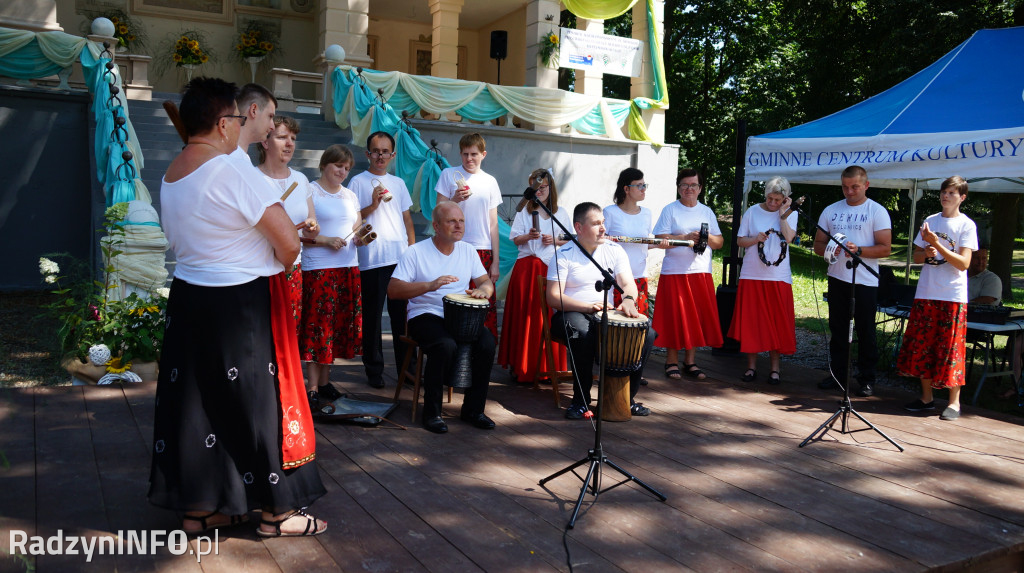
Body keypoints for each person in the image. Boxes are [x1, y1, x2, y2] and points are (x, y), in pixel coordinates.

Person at [149, 77, 326, 537]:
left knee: (198, 407)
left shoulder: (171, 171)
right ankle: (276, 512)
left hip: (189, 297)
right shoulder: (231, 170)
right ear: (224, 123)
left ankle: (204, 507)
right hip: (238, 301)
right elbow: (289, 247)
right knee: (255, 407)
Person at [389, 202, 497, 434]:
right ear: (436, 226)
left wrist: (483, 291)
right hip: (424, 314)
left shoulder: (468, 250)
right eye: (452, 221)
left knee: (487, 343)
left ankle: (473, 410)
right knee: (444, 345)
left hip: (459, 317)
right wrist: (429, 285)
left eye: (461, 221)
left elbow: (485, 282)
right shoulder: (416, 252)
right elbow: (394, 290)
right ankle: (432, 412)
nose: (459, 226)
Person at [548, 202, 653, 419]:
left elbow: (626, 282)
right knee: (584, 333)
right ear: (578, 227)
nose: (603, 228)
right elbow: (554, 297)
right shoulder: (564, 254)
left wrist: (629, 300)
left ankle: (626, 399)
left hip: (602, 313)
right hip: (570, 313)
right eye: (596, 224)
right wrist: (586, 306)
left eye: (603, 223)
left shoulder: (614, 250)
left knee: (646, 333)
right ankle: (581, 402)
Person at [897, 176, 977, 420]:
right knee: (924, 346)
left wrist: (938, 246)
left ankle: (954, 403)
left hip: (952, 295)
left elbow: (963, 263)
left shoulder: (967, 225)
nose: (946, 196)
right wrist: (927, 251)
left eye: (952, 193)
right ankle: (926, 398)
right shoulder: (930, 221)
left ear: (962, 198)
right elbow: (917, 257)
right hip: (927, 292)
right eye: (944, 191)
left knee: (951, 348)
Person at [813, 165, 892, 397]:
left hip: (865, 280)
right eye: (845, 187)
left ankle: (867, 378)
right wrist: (830, 251)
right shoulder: (830, 210)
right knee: (838, 329)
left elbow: (885, 248)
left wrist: (860, 250)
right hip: (837, 278)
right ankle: (838, 375)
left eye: (855, 187)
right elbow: (818, 245)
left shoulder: (876, 211)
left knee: (866, 330)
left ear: (866, 185)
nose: (849, 192)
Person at [348, 131, 416, 389]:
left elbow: (406, 218)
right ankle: (374, 369)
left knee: (402, 317)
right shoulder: (357, 182)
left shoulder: (398, 183)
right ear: (367, 154)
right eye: (375, 151)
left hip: (399, 258)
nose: (380, 156)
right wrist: (373, 206)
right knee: (373, 317)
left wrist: (411, 249)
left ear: (392, 155)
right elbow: (354, 219)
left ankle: (407, 369)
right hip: (372, 259)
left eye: (385, 151)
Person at [300, 144, 363, 411]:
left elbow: (357, 227)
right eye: (338, 165)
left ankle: (325, 382)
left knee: (336, 328)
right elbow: (300, 232)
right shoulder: (310, 191)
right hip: (319, 270)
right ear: (325, 164)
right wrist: (325, 240)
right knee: (318, 329)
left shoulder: (350, 195)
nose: (342, 171)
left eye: (347, 168)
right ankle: (312, 387)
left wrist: (362, 237)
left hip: (348, 268)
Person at [498, 168, 570, 383]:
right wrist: (528, 236)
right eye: (535, 187)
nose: (539, 191)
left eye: (544, 187)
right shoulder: (523, 212)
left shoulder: (561, 212)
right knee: (524, 316)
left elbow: (568, 239)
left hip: (550, 268)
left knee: (546, 317)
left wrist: (554, 240)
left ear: (551, 188)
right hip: (527, 269)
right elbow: (515, 239)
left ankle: (548, 366)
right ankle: (523, 366)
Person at [652, 169, 724, 380]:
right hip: (675, 271)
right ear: (678, 187)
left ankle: (690, 362)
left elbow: (719, 243)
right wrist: (685, 236)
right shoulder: (670, 210)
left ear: (700, 189)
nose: (689, 189)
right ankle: (671, 361)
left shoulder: (707, 212)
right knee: (675, 316)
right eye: (684, 185)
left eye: (693, 185)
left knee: (696, 317)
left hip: (700, 271)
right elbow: (659, 237)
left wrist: (705, 236)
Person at [727, 176, 799, 384]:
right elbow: (741, 240)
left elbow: (788, 238)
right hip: (752, 273)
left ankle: (775, 369)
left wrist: (783, 215)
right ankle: (751, 367)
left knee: (777, 322)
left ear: (785, 199)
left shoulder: (789, 213)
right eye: (770, 198)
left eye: (778, 200)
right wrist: (755, 239)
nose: (773, 203)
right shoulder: (752, 211)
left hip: (778, 276)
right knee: (753, 321)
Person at [434, 133, 501, 338]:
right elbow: (438, 211)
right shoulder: (449, 174)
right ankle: (451, 345)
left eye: (474, 154)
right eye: (465, 154)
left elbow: (493, 223)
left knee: (481, 301)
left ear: (483, 154)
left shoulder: (490, 181)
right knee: (455, 297)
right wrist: (454, 199)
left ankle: (480, 349)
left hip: (482, 248)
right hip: (454, 246)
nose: (469, 159)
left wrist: (496, 261)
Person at [257, 115, 318, 334]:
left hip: (293, 268)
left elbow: (314, 224)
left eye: (292, 138)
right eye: (282, 137)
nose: (290, 143)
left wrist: (312, 226)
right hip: (260, 268)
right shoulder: (252, 178)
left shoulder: (300, 179)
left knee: (288, 333)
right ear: (265, 142)